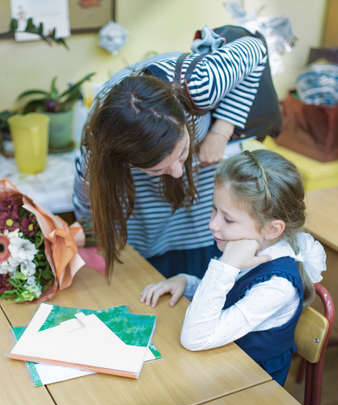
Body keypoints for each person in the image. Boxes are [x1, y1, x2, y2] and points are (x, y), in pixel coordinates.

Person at [73, 25, 281, 279]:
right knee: (152, 265)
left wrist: (220, 131)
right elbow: (90, 207)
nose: (177, 172)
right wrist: (88, 232)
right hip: (147, 223)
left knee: (201, 245)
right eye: (156, 169)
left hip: (203, 179)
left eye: (182, 153)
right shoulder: (96, 155)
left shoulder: (201, 84)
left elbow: (256, 49)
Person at [140, 150, 326, 386]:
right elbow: (229, 296)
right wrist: (188, 283)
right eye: (214, 209)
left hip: (249, 388)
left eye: (228, 219)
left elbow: (194, 338)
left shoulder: (278, 287)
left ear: (272, 229)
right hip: (218, 365)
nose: (213, 224)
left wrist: (225, 266)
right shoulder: (249, 245)